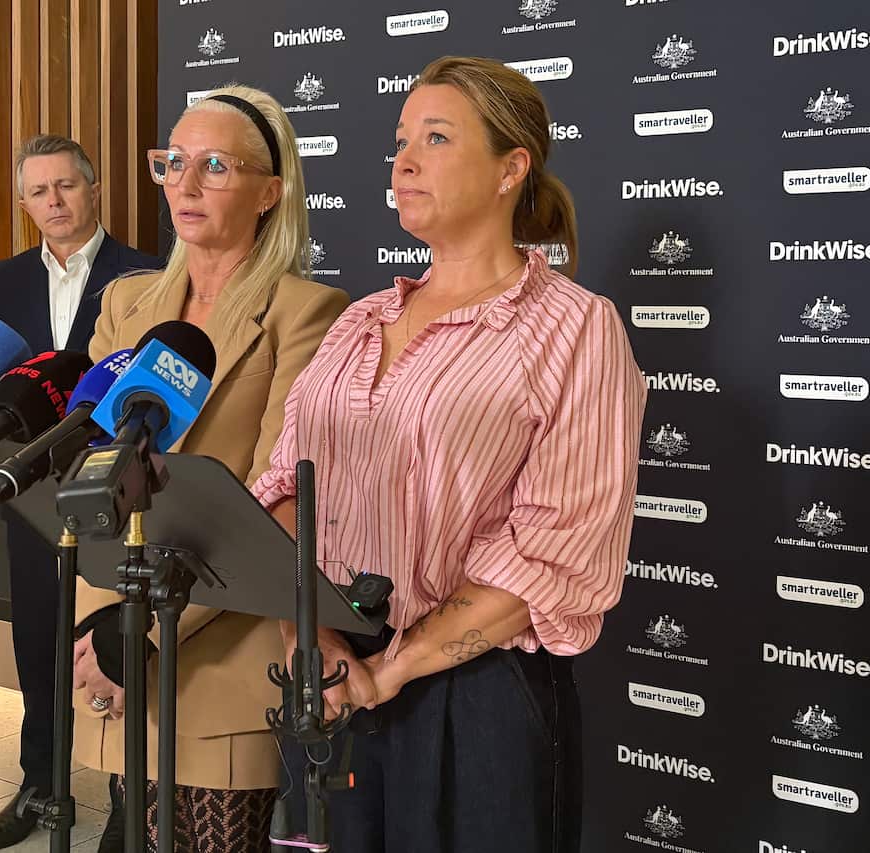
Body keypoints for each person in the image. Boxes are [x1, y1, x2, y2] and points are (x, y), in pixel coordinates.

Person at [252, 56, 647, 853]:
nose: (404, 159)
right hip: (328, 684)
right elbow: (287, 484)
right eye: (401, 139)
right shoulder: (360, 318)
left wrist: (391, 672)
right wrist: (313, 641)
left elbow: (550, 551)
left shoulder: (576, 328)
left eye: (436, 137)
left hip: (473, 700)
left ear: (512, 169)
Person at [71, 85, 349, 853]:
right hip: (117, 629)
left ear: (270, 190)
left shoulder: (309, 313)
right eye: (174, 162)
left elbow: (272, 502)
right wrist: (107, 622)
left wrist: (144, 629)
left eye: (215, 166)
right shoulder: (126, 305)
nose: (185, 186)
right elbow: (88, 474)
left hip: (221, 645)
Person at [0, 133, 161, 851]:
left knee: (114, 641)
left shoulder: (145, 271)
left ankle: (125, 792)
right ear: (23, 202)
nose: (54, 201)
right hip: (31, 491)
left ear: (94, 189)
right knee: (38, 642)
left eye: (66, 186)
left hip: (113, 493)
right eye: (39, 191)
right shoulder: (5, 277)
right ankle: (40, 785)